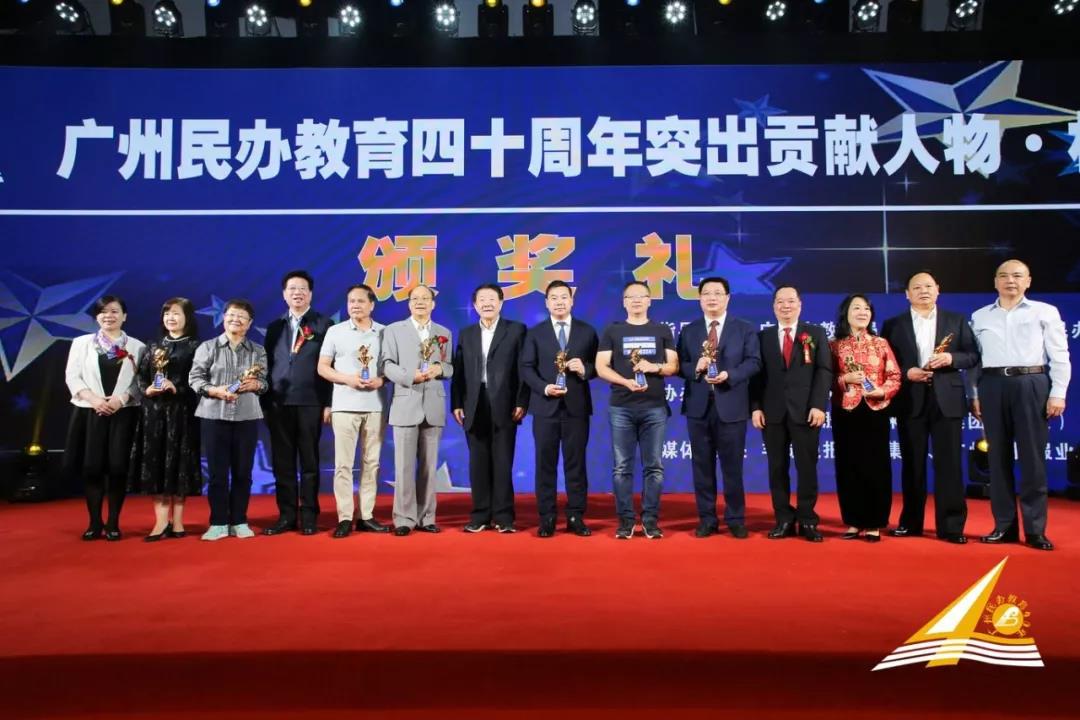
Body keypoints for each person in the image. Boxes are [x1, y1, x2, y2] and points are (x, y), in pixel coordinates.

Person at [971, 259, 1070, 551]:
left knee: (1032, 460)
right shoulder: (980, 316)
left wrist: (1058, 392)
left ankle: (1036, 530)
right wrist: (973, 394)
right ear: (995, 282)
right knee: (996, 458)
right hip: (992, 385)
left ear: (1028, 281)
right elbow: (975, 361)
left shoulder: (1045, 311)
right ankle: (1004, 526)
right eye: (1003, 276)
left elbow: (1060, 355)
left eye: (1017, 275)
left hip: (1031, 383)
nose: (1010, 280)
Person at [881, 271, 979, 544]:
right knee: (912, 464)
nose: (923, 291)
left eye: (928, 286)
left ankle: (952, 526)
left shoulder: (956, 320)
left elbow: (972, 355)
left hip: (947, 400)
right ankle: (910, 522)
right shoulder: (893, 324)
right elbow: (884, 362)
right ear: (907, 294)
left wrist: (951, 358)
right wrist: (906, 372)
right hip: (910, 400)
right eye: (916, 287)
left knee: (950, 464)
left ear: (938, 289)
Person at [676, 277, 762, 539]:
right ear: (699, 299)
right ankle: (707, 519)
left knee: (732, 467)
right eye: (706, 293)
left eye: (717, 293)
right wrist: (696, 368)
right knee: (702, 466)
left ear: (727, 298)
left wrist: (730, 375)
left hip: (732, 405)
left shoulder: (744, 329)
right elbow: (680, 365)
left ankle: (735, 518)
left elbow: (754, 362)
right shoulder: (689, 331)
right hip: (698, 407)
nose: (712, 298)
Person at [595, 280, 678, 539]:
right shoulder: (613, 330)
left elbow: (673, 366)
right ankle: (626, 521)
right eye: (631, 297)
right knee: (622, 468)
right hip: (621, 407)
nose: (636, 300)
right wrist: (625, 382)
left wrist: (654, 367)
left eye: (641, 296)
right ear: (624, 302)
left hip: (654, 407)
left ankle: (650, 520)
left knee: (654, 467)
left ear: (650, 300)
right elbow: (601, 367)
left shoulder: (661, 330)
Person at [750, 286, 832, 542]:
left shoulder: (815, 333)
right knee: (777, 468)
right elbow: (756, 376)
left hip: (807, 412)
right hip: (772, 413)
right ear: (773, 306)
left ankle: (807, 520)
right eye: (780, 302)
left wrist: (819, 405)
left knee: (807, 467)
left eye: (791, 301)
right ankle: (783, 518)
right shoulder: (762, 337)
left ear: (800, 304)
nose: (785, 306)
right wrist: (755, 407)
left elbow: (824, 371)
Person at [520, 280, 599, 538]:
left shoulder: (587, 332)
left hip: (576, 408)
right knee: (545, 463)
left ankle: (576, 515)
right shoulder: (535, 333)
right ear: (546, 303)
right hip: (545, 408)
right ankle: (547, 517)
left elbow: (599, 366)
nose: (559, 302)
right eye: (553, 298)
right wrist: (544, 388)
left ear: (572, 300)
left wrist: (585, 369)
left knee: (576, 464)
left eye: (564, 297)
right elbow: (526, 368)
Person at [64, 295, 145, 541]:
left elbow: (141, 382)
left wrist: (121, 399)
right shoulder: (81, 343)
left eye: (114, 311)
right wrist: (94, 400)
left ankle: (113, 523)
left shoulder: (138, 347)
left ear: (124, 316)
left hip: (123, 413)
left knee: (118, 468)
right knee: (92, 468)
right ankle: (94, 522)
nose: (108, 316)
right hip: (90, 411)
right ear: (96, 316)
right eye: (103, 312)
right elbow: (72, 376)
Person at [451, 283, 529, 534]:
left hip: (505, 402)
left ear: (501, 303)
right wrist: (456, 403)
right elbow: (459, 372)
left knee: (503, 461)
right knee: (478, 462)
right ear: (475, 305)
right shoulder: (467, 334)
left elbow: (523, 368)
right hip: (474, 403)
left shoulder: (516, 330)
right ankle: (480, 515)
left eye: (492, 299)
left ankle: (504, 516)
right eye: (482, 300)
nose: (487, 303)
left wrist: (522, 401)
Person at [188, 299, 268, 541]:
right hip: (214, 416)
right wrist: (215, 391)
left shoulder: (258, 350)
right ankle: (218, 522)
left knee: (243, 473)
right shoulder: (208, 347)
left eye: (242, 316)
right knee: (217, 473)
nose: (236, 319)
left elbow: (264, 382)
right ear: (224, 318)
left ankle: (240, 520)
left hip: (247, 417)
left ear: (249, 323)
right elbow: (195, 378)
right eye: (232, 315)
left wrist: (257, 385)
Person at [317, 284, 391, 538]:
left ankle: (366, 515)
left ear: (372, 305)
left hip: (376, 407)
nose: (355, 305)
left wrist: (382, 380)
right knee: (343, 465)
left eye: (360, 301)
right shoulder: (335, 331)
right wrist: (347, 379)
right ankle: (345, 517)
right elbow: (323, 367)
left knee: (372, 463)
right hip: (344, 406)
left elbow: (393, 367)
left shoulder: (385, 332)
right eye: (351, 301)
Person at [262, 270, 333, 536]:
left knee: (310, 462)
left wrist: (328, 403)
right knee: (283, 463)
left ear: (310, 294)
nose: (297, 293)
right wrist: (265, 401)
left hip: (311, 401)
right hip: (278, 403)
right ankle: (286, 516)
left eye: (303, 288)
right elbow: (267, 366)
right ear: (284, 294)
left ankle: (310, 516)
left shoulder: (324, 325)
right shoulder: (274, 327)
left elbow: (333, 366)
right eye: (292, 288)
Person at [381, 285, 454, 536]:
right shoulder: (394, 330)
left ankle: (427, 517)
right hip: (405, 401)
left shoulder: (443, 332)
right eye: (415, 298)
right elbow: (386, 364)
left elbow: (450, 366)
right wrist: (409, 376)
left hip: (433, 404)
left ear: (433, 303)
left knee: (429, 467)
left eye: (425, 298)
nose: (420, 302)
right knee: (403, 467)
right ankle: (404, 519)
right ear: (409, 303)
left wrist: (440, 369)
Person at [128, 298, 202, 542]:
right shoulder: (152, 346)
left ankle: (178, 521)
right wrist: (147, 389)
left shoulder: (196, 347)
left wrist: (177, 387)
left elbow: (200, 381)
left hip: (182, 413)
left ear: (187, 317)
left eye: (176, 313)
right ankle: (160, 521)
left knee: (179, 464)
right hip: (153, 413)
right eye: (167, 313)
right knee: (156, 463)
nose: (171, 317)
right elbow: (140, 376)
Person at [830, 294, 901, 543]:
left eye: (866, 309)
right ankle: (853, 520)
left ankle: (874, 522)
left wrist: (882, 391)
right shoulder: (834, 345)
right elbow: (824, 379)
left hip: (875, 410)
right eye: (856, 308)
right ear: (846, 314)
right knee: (848, 465)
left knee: (876, 465)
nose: (862, 312)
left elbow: (895, 376)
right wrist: (844, 380)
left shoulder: (881, 343)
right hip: (845, 410)